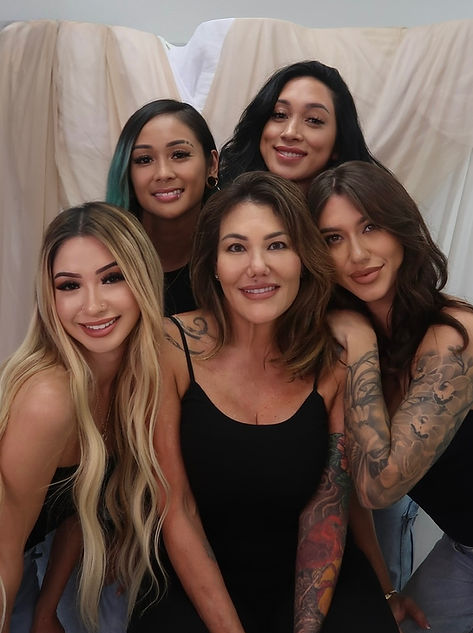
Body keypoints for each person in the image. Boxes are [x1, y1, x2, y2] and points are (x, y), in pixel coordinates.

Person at [128, 171, 409, 633]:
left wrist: (308, 627)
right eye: (236, 248)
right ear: (213, 263)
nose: (257, 266)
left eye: (277, 245)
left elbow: (327, 507)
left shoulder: (336, 353)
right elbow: (176, 509)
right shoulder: (167, 345)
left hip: (312, 572)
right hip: (193, 573)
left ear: (303, 259)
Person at [219, 59, 417, 590]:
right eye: (279, 114)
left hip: (367, 431)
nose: (290, 132)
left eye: (313, 120)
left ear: (336, 140)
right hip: (266, 435)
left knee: (369, 578)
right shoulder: (232, 209)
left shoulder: (359, 209)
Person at [309, 160, 473, 632]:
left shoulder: (453, 336)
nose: (358, 254)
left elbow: (378, 486)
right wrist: (386, 589)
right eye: (333, 238)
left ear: (401, 230)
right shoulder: (346, 345)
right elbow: (349, 483)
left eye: (370, 227)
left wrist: (359, 341)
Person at [0, 202, 167, 632]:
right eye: (70, 285)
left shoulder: (132, 382)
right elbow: (3, 550)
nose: (93, 305)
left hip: (28, 568)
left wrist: (45, 611)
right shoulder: (49, 398)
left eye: (112, 278)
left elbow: (78, 506)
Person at [106, 99, 219, 315]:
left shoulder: (238, 249)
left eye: (179, 155)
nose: (163, 173)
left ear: (212, 165)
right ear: (127, 172)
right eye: (144, 159)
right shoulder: (103, 253)